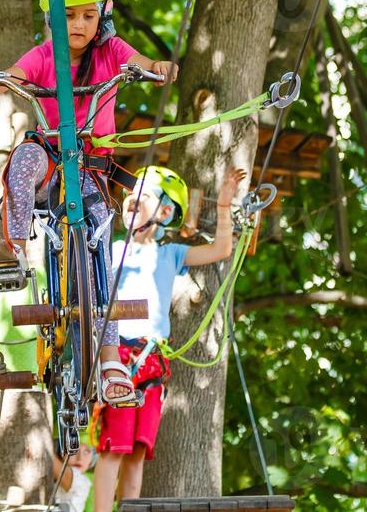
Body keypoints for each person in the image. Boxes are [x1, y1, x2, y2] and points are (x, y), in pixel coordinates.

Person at [0, 0, 177, 407]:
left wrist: (157, 68)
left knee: (101, 245)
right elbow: (15, 76)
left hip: (89, 168)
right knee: (21, 162)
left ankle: (108, 358)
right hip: (49, 155)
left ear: (104, 15)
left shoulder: (112, 52)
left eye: (87, 15)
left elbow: (139, 59)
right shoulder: (45, 55)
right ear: (51, 17)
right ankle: (16, 249)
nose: (78, 25)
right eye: (68, 16)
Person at [92, 164, 245, 512]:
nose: (132, 199)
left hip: (152, 361)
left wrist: (223, 208)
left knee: (135, 453)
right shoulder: (110, 251)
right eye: (132, 193)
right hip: (119, 358)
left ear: (163, 212)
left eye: (143, 195)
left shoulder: (170, 254)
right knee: (113, 447)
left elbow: (220, 250)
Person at [54, 441, 95, 511]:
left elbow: (47, 456)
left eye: (87, 452)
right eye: (73, 449)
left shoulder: (83, 482)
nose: (80, 458)